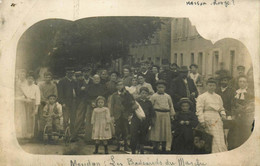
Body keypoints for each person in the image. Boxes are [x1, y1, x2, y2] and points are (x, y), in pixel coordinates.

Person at [196, 78, 227, 153]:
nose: (211, 87)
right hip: (207, 117)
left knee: (219, 136)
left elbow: (221, 108)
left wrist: (223, 114)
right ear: (206, 86)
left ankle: (220, 152)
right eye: (210, 85)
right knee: (212, 136)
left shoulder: (218, 97)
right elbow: (199, 110)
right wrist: (202, 121)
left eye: (213, 85)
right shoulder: (202, 97)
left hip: (217, 118)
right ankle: (213, 152)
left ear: (215, 86)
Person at [227, 75, 254, 150]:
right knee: (234, 135)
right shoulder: (235, 92)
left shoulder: (250, 93)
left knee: (244, 135)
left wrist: (242, 109)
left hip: (246, 118)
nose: (242, 83)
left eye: (244, 82)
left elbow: (251, 105)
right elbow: (232, 104)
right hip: (236, 118)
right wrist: (233, 113)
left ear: (247, 83)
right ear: (238, 83)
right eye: (240, 81)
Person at [149, 80, 175, 153]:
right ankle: (155, 147)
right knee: (157, 131)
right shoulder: (154, 96)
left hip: (166, 115)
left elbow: (171, 105)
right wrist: (151, 116)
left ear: (165, 88)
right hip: (157, 114)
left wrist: (172, 115)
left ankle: (164, 146)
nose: (161, 89)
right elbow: (150, 106)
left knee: (165, 131)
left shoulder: (167, 96)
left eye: (162, 87)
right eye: (159, 87)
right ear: (156, 88)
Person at [110, 80, 136, 151]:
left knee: (125, 130)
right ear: (116, 86)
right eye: (118, 85)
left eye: (121, 85)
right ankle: (118, 146)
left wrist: (129, 113)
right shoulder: (114, 95)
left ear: (123, 86)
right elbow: (112, 105)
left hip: (125, 114)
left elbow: (131, 103)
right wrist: (112, 115)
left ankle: (125, 145)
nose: (120, 86)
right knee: (117, 130)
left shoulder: (127, 94)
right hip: (117, 115)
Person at [71, 68, 93, 141]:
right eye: (85, 72)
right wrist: (81, 89)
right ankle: (74, 135)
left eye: (88, 72)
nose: (86, 74)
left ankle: (88, 137)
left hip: (90, 101)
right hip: (82, 101)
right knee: (79, 117)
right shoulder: (79, 81)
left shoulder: (92, 81)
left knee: (89, 118)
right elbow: (76, 92)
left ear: (90, 72)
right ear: (83, 73)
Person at [130, 87, 154, 154]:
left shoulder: (149, 102)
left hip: (145, 121)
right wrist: (133, 108)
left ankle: (141, 149)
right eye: (142, 93)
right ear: (140, 93)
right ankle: (133, 150)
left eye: (146, 93)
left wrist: (150, 120)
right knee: (134, 135)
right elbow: (129, 110)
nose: (144, 94)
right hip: (136, 120)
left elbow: (151, 112)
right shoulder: (136, 101)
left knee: (143, 135)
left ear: (148, 94)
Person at [85, 74, 107, 141]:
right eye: (95, 79)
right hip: (91, 104)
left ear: (100, 80)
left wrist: (101, 102)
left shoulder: (103, 87)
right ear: (93, 80)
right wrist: (91, 102)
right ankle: (89, 138)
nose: (96, 80)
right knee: (90, 121)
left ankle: (100, 138)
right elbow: (86, 97)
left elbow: (105, 95)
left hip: (101, 105)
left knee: (100, 121)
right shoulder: (89, 87)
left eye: (98, 79)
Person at [38, 72, 58, 140]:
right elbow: (40, 94)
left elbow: (55, 94)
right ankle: (40, 135)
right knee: (42, 118)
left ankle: (50, 135)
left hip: (51, 103)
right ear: (44, 77)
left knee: (51, 117)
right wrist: (45, 101)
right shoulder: (41, 85)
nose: (48, 78)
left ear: (51, 78)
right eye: (46, 77)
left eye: (49, 77)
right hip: (43, 103)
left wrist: (51, 101)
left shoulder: (53, 85)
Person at [22, 72, 41, 139]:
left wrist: (36, 108)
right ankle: (24, 133)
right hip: (25, 103)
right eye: (29, 78)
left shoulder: (36, 87)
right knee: (25, 118)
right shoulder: (24, 86)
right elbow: (23, 95)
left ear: (33, 79)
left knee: (32, 118)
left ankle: (31, 134)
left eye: (31, 78)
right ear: (27, 79)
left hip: (32, 103)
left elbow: (38, 98)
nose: (30, 80)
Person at [57, 68, 77, 132]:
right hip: (65, 103)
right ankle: (65, 134)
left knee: (73, 118)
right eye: (69, 73)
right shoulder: (62, 81)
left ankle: (72, 134)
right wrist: (62, 102)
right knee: (65, 119)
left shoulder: (74, 81)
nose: (71, 74)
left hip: (73, 102)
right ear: (66, 73)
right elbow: (60, 93)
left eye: (72, 73)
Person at [15, 69, 28, 139]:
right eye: (21, 75)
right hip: (18, 100)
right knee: (18, 117)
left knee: (24, 117)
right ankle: (18, 134)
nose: (22, 76)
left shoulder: (26, 82)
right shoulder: (17, 82)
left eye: (24, 75)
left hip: (25, 101)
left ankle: (24, 134)